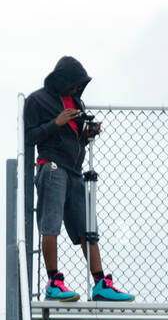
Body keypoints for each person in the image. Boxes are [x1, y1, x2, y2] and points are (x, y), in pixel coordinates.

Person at [24, 56, 135, 302]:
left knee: (88, 227)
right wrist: (56, 122)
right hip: (52, 166)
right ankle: (54, 282)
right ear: (64, 80)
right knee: (51, 224)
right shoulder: (37, 100)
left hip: (75, 170)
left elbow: (72, 139)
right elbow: (29, 136)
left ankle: (100, 284)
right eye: (74, 84)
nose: (77, 89)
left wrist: (87, 134)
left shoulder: (77, 102)